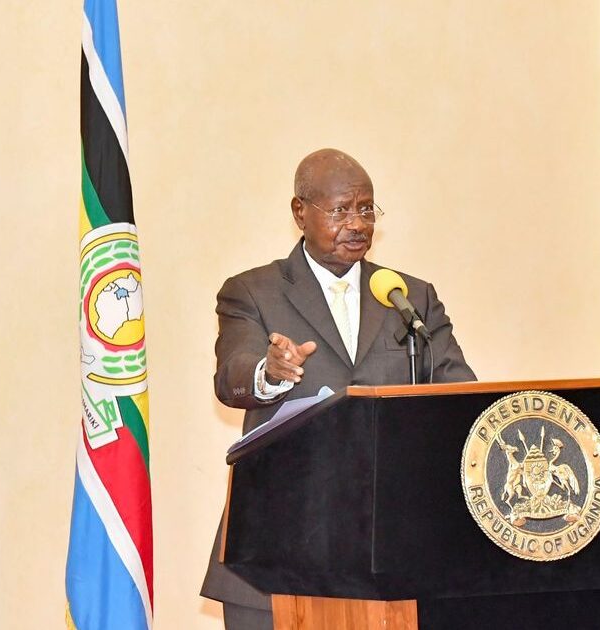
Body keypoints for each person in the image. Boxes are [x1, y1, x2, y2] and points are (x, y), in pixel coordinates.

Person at [200, 148, 476, 630]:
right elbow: (232, 375)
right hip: (277, 543)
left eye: (366, 209)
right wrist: (271, 370)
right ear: (299, 212)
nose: (357, 223)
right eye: (341, 209)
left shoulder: (408, 297)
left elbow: (460, 393)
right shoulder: (253, 292)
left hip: (392, 548)